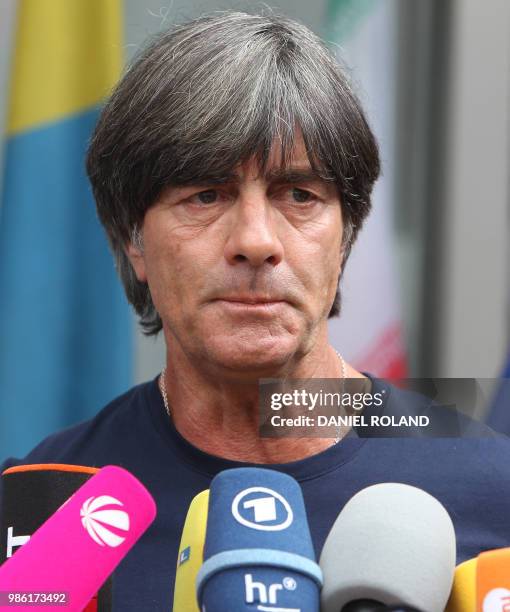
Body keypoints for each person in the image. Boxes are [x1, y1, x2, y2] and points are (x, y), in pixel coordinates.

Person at [1, 11, 509, 610]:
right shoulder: (39, 511)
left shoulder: (494, 496)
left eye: (299, 194)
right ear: (133, 240)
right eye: (205, 194)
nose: (257, 240)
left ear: (344, 240)